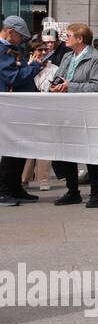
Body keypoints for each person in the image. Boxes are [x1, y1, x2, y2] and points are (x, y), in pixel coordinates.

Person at [47, 23, 98, 207]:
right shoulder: (67, 56)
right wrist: (54, 85)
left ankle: (96, 194)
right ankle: (72, 191)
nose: (66, 38)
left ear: (80, 39)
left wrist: (69, 86)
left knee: (90, 152)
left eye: (69, 35)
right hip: (66, 110)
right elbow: (59, 77)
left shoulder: (96, 58)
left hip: (86, 111)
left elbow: (96, 86)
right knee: (68, 151)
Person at [0, 15, 47, 205]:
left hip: (21, 106)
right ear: (10, 32)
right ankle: (3, 190)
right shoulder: (2, 50)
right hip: (10, 106)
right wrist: (35, 66)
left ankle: (15, 187)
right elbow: (13, 77)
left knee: (20, 148)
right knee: (11, 149)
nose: (22, 40)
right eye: (20, 36)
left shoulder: (13, 48)